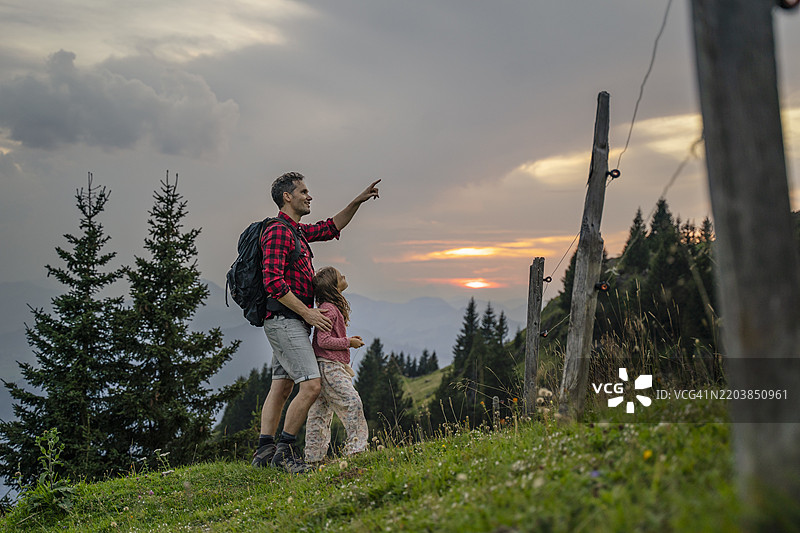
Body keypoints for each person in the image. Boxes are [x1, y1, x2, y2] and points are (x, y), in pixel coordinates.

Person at [251, 171, 380, 473]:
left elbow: (330, 227)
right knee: (310, 385)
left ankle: (264, 452)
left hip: (288, 321)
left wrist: (357, 202)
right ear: (287, 196)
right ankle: (284, 452)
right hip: (286, 320)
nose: (309, 196)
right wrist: (308, 312)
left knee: (282, 386)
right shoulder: (278, 231)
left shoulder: (295, 231)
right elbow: (273, 282)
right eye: (304, 192)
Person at [304, 266, 368, 464]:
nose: (344, 277)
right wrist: (349, 343)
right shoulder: (330, 310)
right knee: (352, 402)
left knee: (320, 412)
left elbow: (326, 338)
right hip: (330, 367)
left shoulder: (328, 307)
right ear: (333, 286)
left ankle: (314, 458)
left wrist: (347, 339)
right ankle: (356, 449)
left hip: (322, 367)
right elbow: (323, 341)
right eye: (340, 277)